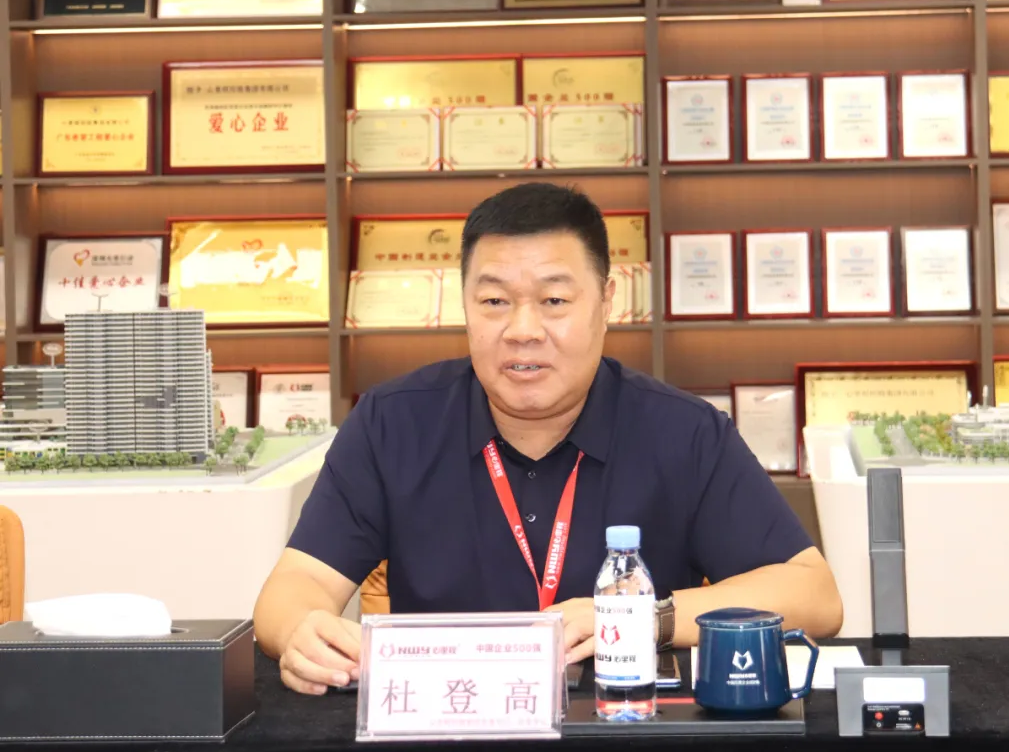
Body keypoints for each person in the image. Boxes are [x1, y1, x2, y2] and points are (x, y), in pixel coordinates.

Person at [253, 183, 843, 695]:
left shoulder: (684, 432)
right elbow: (296, 585)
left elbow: (814, 595)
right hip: (447, 721)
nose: (523, 330)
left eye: (554, 301)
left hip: (621, 723)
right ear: (465, 305)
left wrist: (641, 617)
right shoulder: (392, 423)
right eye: (494, 302)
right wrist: (302, 631)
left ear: (606, 303)